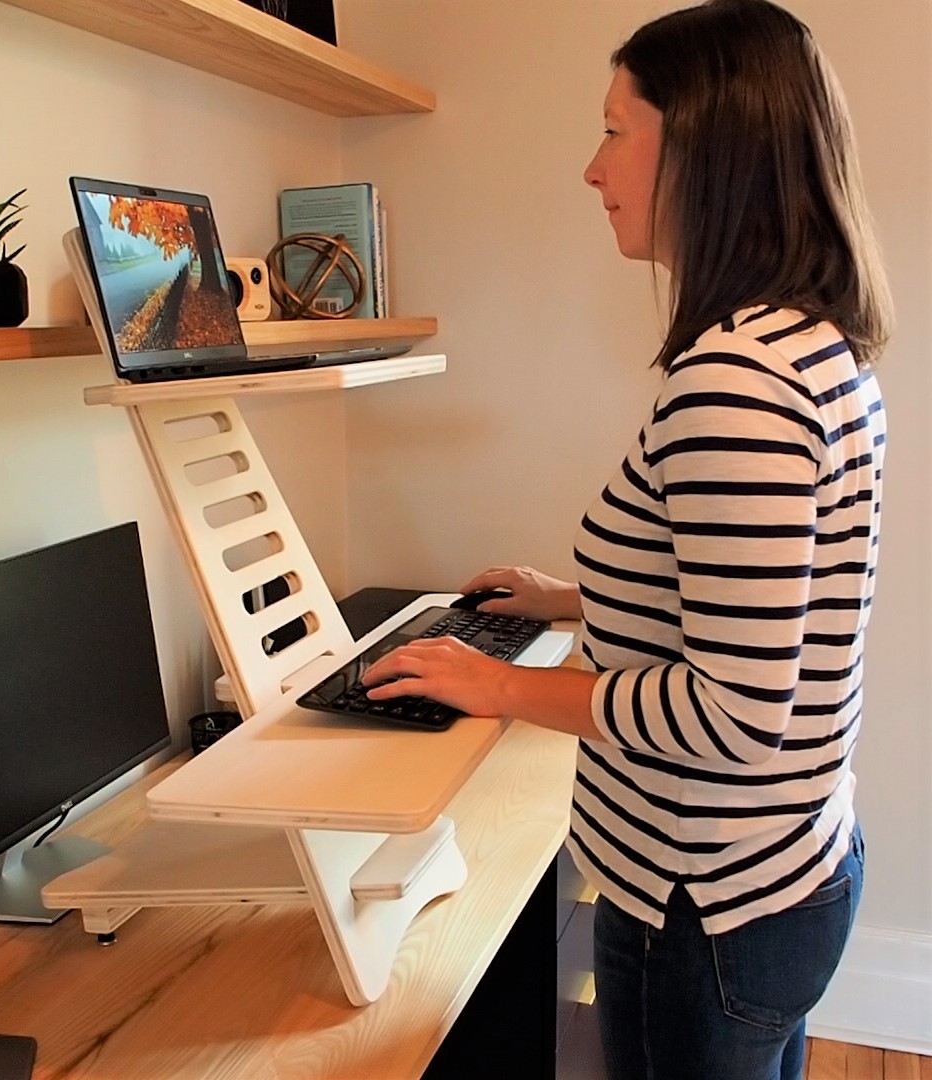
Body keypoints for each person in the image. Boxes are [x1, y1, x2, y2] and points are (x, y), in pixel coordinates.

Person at [361, 1, 891, 1077]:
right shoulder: (808, 344)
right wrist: (565, 600)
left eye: (614, 129)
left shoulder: (738, 384)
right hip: (784, 870)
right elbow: (744, 590)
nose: (591, 170)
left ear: (701, 146)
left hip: (707, 908)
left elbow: (734, 713)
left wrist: (495, 687)